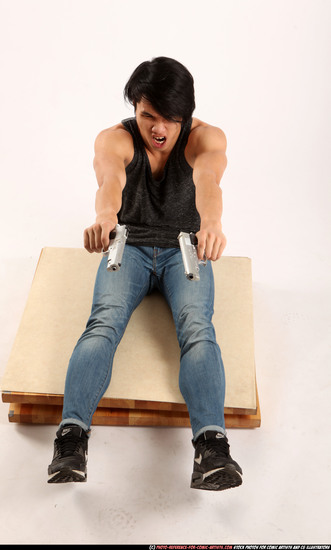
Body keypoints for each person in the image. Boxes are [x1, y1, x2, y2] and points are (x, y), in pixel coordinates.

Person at [48, 57, 242, 491]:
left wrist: (210, 224)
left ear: (186, 115)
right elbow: (109, 180)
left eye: (169, 119)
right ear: (135, 109)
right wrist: (104, 216)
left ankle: (212, 448)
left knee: (198, 329)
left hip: (183, 247)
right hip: (129, 245)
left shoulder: (204, 138)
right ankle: (71, 440)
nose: (157, 129)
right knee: (102, 325)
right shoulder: (115, 139)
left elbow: (210, 179)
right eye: (147, 115)